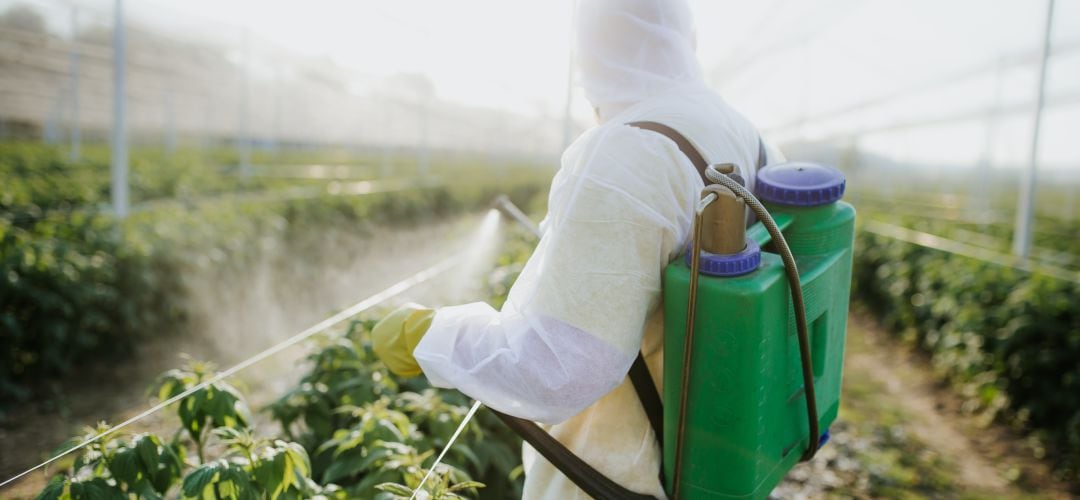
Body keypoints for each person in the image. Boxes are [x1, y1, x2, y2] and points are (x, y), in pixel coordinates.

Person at [372, 0, 783, 497]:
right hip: (712, 459)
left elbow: (559, 370)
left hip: (619, 477)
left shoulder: (629, 152)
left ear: (590, 50)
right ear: (683, 36)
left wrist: (430, 335)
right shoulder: (744, 133)